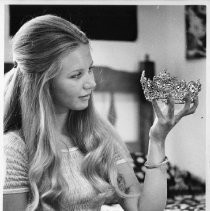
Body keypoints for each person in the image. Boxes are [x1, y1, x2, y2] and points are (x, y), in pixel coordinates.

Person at [3, 14, 198, 211]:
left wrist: (157, 139)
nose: (92, 83)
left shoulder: (99, 136)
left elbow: (141, 208)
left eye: (90, 69)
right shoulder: (14, 149)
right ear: (42, 83)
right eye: (76, 75)